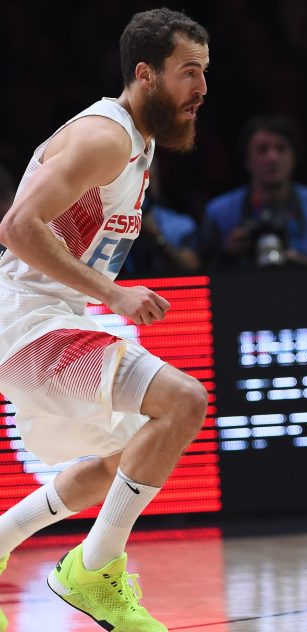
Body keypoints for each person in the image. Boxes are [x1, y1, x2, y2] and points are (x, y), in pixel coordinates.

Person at [0, 9, 210, 631]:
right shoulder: (107, 136)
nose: (201, 88)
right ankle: (92, 569)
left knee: (132, 455)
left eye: (205, 72)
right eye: (188, 72)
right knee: (183, 403)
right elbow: (16, 227)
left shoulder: (137, 142)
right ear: (145, 74)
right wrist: (112, 295)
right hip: (25, 322)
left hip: (44, 316)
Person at [202, 115, 307, 268]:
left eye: (281, 149)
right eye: (262, 149)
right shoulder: (218, 212)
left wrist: (305, 266)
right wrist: (227, 254)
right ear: (247, 160)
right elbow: (202, 270)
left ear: (294, 157)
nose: (272, 157)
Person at [123, 160, 201, 276]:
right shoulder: (102, 224)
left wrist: (158, 238)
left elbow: (192, 268)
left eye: (149, 168)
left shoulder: (181, 226)